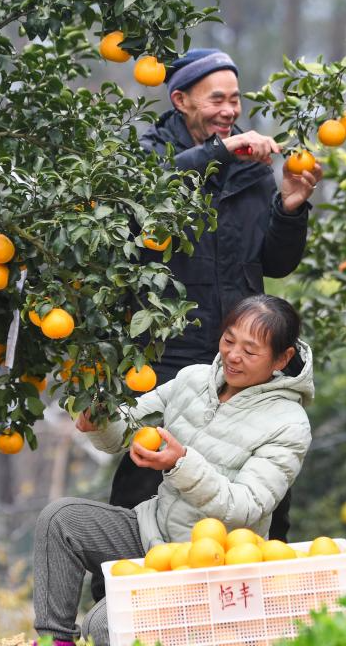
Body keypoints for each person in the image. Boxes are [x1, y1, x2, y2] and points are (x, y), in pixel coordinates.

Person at [110, 48, 322, 535]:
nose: (230, 110)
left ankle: (262, 592)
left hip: (242, 347)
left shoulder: (251, 169)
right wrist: (220, 153)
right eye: (216, 99)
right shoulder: (151, 157)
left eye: (235, 100)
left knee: (262, 477)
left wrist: (290, 209)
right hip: (170, 347)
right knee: (149, 472)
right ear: (181, 100)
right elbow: (142, 199)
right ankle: (120, 597)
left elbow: (275, 263)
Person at [33, 295, 314, 646]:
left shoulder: (288, 424)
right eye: (228, 340)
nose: (233, 355)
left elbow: (247, 505)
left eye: (250, 350)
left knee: (105, 624)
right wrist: (101, 420)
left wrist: (181, 464)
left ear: (282, 358)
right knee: (61, 520)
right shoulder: (193, 380)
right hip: (154, 531)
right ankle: (53, 641)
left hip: (212, 562)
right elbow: (132, 425)